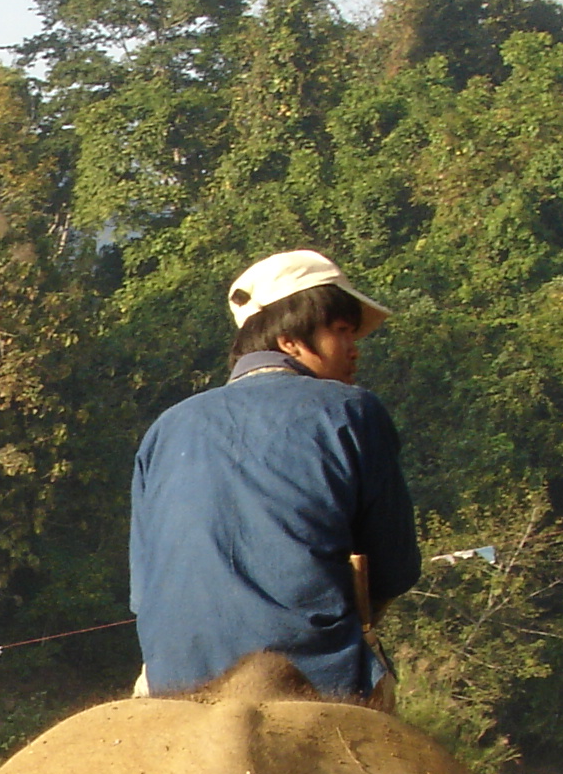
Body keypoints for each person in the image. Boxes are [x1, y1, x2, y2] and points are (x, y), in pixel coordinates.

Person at [128, 248, 422, 705]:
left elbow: (143, 593)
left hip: (172, 676)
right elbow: (394, 570)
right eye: (342, 331)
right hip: (315, 673)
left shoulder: (166, 427)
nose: (353, 348)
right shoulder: (351, 410)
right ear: (288, 340)